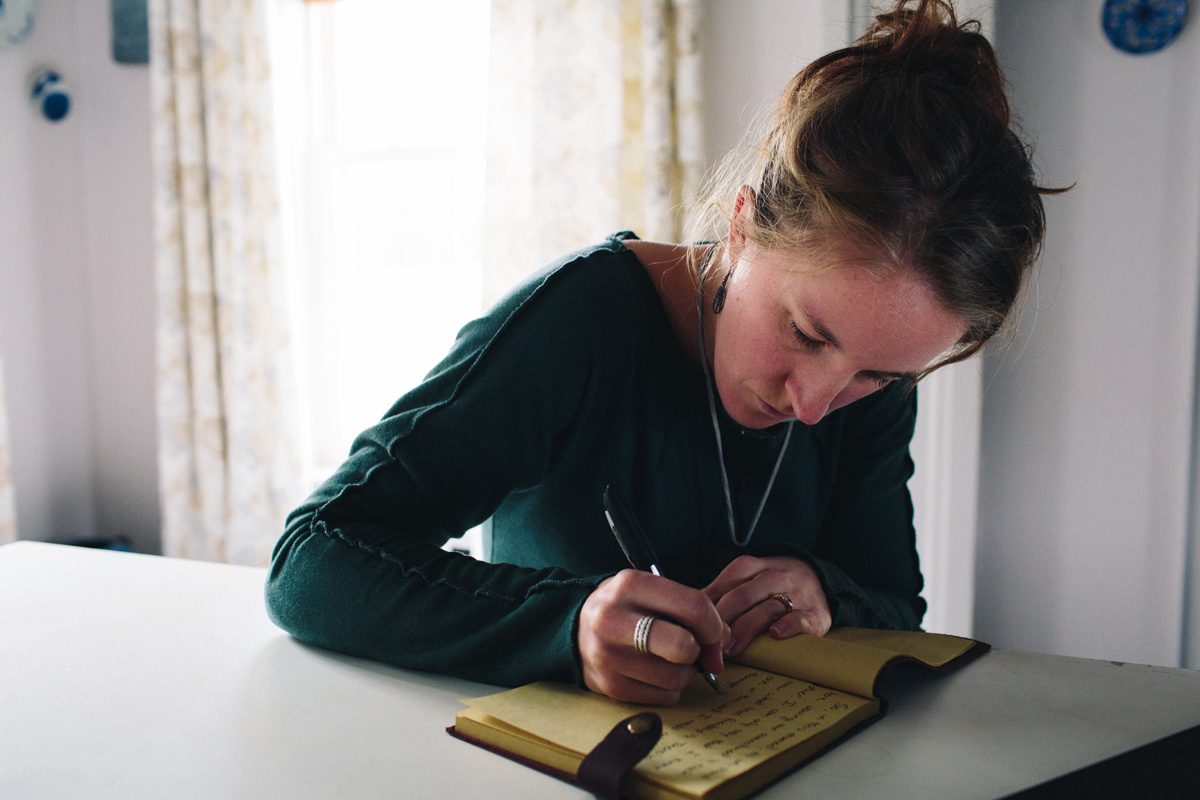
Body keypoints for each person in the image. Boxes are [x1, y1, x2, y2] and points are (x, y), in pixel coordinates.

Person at [266, 0, 1053, 706]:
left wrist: (821, 591)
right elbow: (312, 560)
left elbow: (894, 605)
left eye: (881, 375)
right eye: (807, 334)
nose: (814, 404)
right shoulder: (579, 323)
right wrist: (567, 626)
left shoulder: (870, 377)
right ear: (742, 227)